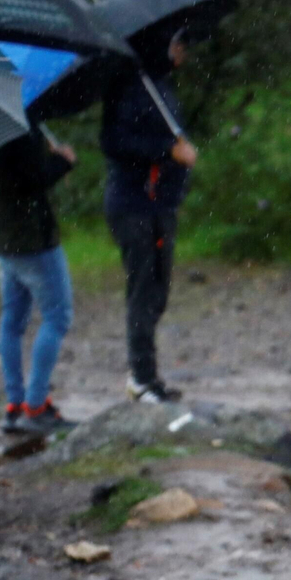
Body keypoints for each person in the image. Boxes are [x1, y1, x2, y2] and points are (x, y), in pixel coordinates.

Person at [101, 31, 198, 404]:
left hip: (161, 206)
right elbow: (113, 143)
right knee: (143, 291)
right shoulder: (128, 88)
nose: (183, 51)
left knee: (158, 292)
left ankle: (146, 374)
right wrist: (166, 151)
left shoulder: (160, 87)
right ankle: (141, 378)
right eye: (177, 44)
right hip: (133, 206)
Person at [0, 129, 78, 434]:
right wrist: (61, 162)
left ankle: (15, 404)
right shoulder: (20, 127)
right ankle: (35, 407)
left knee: (12, 320)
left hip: (2, 235)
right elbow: (30, 180)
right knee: (57, 317)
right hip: (31, 239)